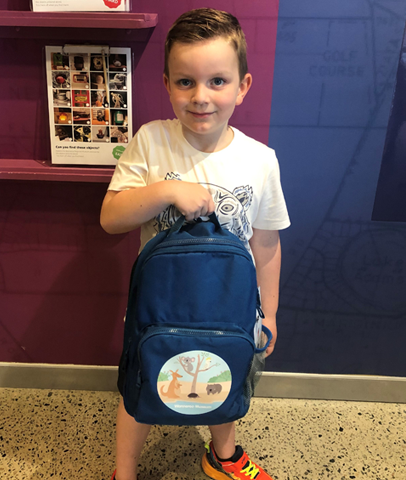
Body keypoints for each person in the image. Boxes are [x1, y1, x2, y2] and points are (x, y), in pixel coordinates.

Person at [100, 8, 290, 480]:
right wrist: (166, 190)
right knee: (140, 386)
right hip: (157, 309)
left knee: (222, 380)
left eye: (217, 81)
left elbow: (265, 243)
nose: (201, 97)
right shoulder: (151, 141)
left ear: (242, 86)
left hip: (230, 308)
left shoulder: (260, 160)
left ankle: (223, 456)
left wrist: (269, 313)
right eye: (185, 82)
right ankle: (124, 472)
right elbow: (110, 219)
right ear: (166, 84)